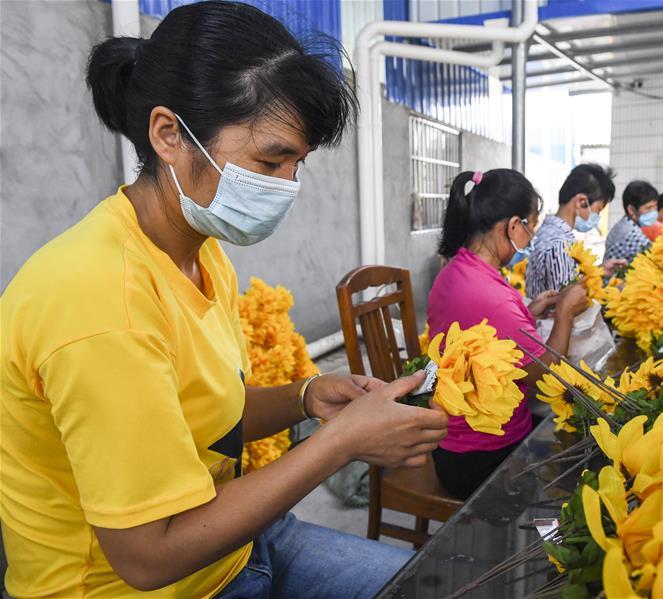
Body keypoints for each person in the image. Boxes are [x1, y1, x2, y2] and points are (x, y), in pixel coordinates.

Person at [0, 3, 447, 598]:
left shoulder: (201, 253)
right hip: (144, 585)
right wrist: (342, 443)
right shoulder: (100, 302)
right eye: (270, 160)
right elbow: (147, 557)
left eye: (297, 165)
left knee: (440, 585)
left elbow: (211, 412)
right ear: (169, 135)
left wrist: (308, 398)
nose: (287, 186)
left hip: (235, 547)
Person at [427, 169, 590, 500]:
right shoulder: (489, 293)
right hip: (483, 456)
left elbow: (481, 335)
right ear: (514, 226)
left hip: (453, 442)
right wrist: (565, 315)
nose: (530, 238)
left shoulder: (457, 270)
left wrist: (526, 313)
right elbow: (545, 375)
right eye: (530, 226)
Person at [526, 163, 625, 298]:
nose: (597, 217)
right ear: (581, 201)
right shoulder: (559, 245)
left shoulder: (549, 232)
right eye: (598, 210)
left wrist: (597, 271)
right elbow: (566, 303)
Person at [605, 180, 659, 264]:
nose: (654, 212)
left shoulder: (624, 224)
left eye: (655, 207)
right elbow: (657, 256)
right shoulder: (631, 233)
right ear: (631, 210)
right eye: (648, 208)